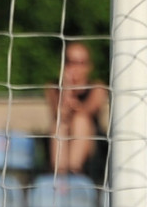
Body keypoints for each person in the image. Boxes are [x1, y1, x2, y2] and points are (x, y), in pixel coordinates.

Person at [45, 41, 109, 183]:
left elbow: (87, 111)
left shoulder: (97, 88)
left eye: (80, 62)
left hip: (91, 146)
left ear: (88, 66)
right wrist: (66, 89)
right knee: (60, 124)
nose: (75, 67)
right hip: (64, 136)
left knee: (80, 120)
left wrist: (74, 104)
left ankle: (74, 171)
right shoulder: (53, 88)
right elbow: (59, 112)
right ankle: (60, 174)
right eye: (70, 62)